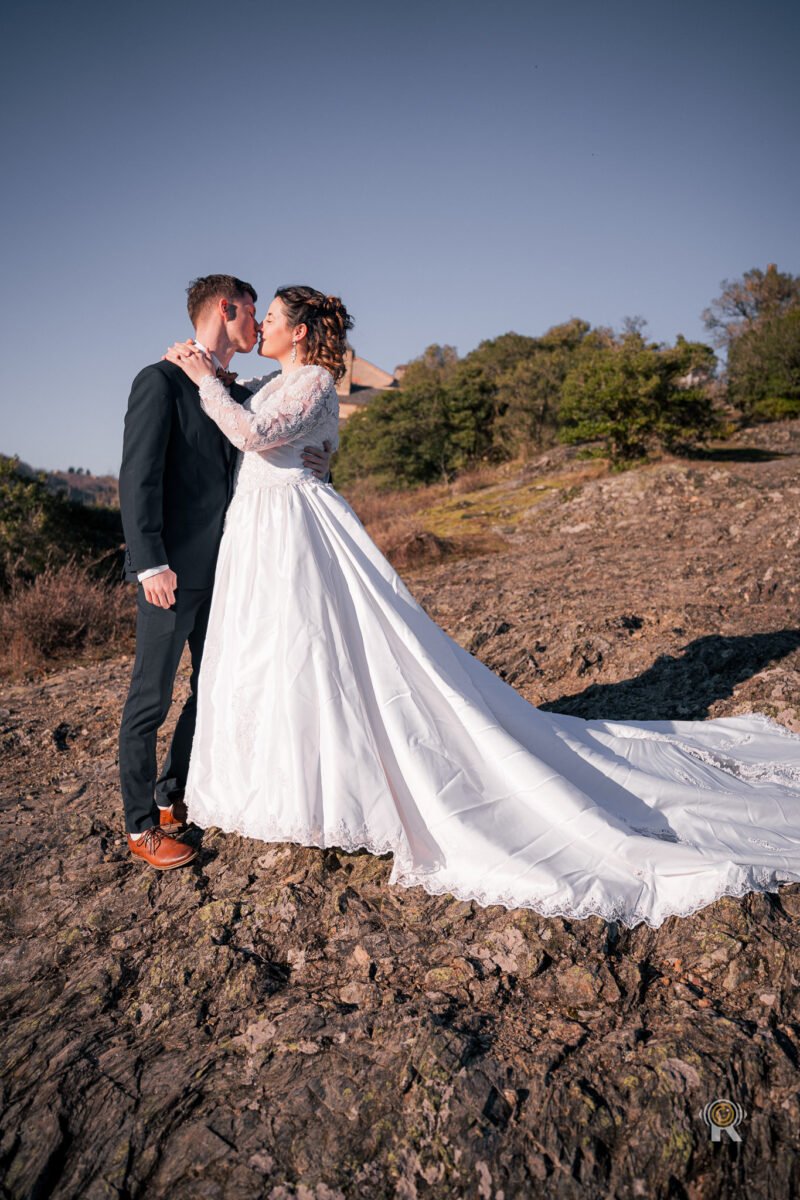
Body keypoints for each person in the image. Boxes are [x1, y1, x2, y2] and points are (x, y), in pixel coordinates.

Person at [163, 284, 800, 928]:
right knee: (271, 652)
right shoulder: (275, 382)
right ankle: (282, 786)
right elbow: (269, 424)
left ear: (299, 331)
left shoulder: (317, 383)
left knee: (314, 650)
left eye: (272, 318)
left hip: (293, 529)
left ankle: (340, 788)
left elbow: (251, 434)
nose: (263, 326)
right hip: (260, 531)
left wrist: (204, 380)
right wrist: (222, 381)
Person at [118, 275, 333, 869]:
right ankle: (140, 826)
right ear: (225, 308)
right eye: (252, 312)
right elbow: (138, 479)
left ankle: (172, 796)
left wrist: (322, 459)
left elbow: (282, 439)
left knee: (213, 689)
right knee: (150, 697)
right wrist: (151, 563)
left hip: (235, 571)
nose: (259, 324)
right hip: (170, 573)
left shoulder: (238, 390)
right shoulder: (161, 381)